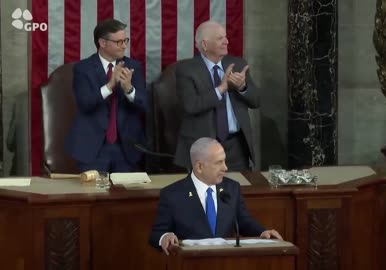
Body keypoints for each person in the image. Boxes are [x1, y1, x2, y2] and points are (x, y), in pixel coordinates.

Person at [149, 137, 282, 254]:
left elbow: (244, 221)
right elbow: (156, 234)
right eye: (218, 163)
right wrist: (164, 236)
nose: (225, 168)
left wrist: (262, 232)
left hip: (225, 262)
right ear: (199, 166)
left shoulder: (231, 188)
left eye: (224, 161)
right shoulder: (173, 194)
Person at [174, 20, 260, 172]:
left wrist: (242, 87)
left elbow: (256, 101)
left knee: (237, 193)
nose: (226, 41)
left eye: (225, 37)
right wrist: (221, 89)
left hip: (237, 147)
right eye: (220, 38)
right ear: (205, 45)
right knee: (204, 194)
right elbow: (191, 105)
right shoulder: (186, 69)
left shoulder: (238, 64)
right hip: (204, 148)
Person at [65, 19, 146, 173]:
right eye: (119, 42)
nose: (124, 46)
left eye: (125, 40)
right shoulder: (83, 69)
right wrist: (110, 86)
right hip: (92, 148)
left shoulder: (133, 67)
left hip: (126, 149)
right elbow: (85, 103)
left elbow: (144, 105)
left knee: (127, 196)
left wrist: (129, 89)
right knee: (94, 195)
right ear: (102, 42)